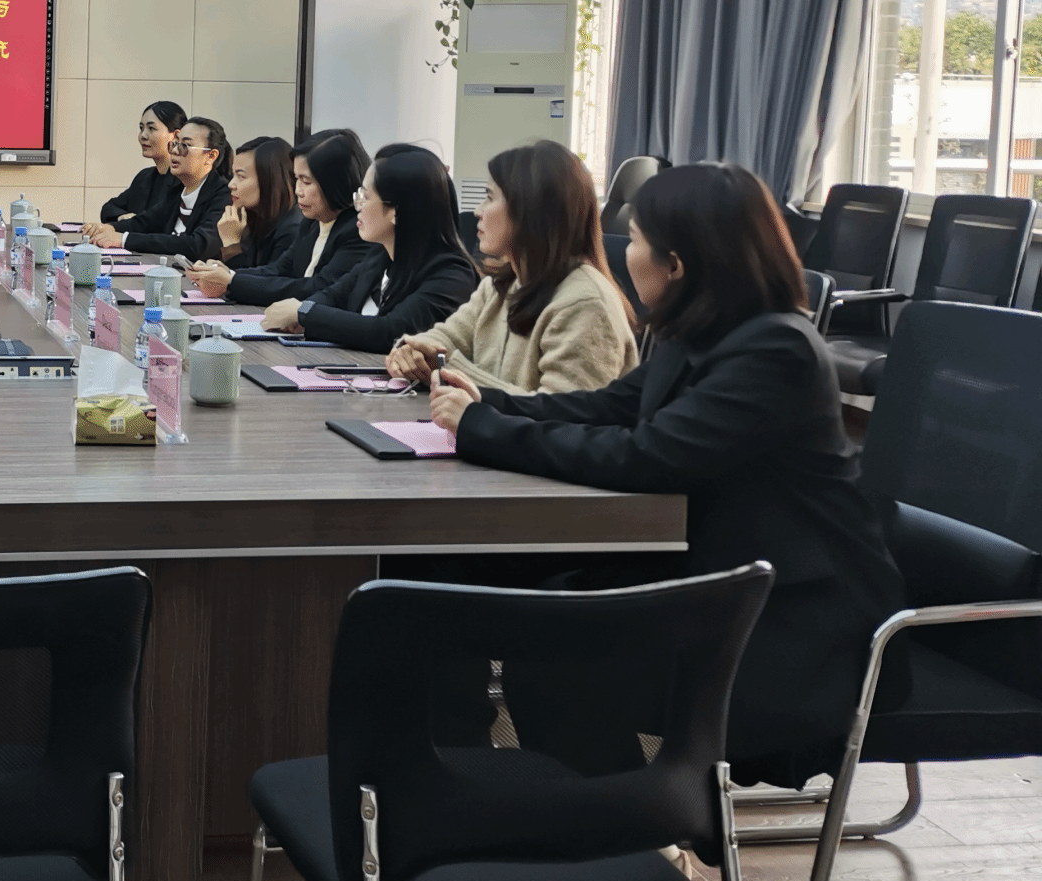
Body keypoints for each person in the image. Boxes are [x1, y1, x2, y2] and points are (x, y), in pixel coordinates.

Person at [429, 162, 906, 774]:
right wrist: (491, 405)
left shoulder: (775, 349)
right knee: (465, 582)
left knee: (554, 655)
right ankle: (474, 784)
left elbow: (648, 455)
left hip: (788, 620)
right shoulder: (702, 331)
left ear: (676, 264)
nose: (624, 254)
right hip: (710, 569)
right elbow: (608, 407)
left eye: (636, 241)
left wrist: (484, 429)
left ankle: (624, 817)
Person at [386, 138, 636, 395]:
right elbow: (446, 337)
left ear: (530, 211)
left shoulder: (585, 304)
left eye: (489, 198)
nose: (478, 211)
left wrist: (450, 368)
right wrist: (413, 351)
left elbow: (560, 411)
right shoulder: (500, 286)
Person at [263, 142, 478, 348]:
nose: (358, 206)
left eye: (365, 196)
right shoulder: (378, 258)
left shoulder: (452, 276)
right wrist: (302, 313)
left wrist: (304, 314)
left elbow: (390, 331)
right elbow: (333, 295)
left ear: (395, 211)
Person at [194, 129, 370, 304]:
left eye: (306, 181)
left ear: (336, 182)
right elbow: (279, 269)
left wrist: (231, 280)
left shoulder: (357, 230)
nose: (298, 190)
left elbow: (317, 287)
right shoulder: (311, 223)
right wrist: (228, 274)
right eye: (297, 179)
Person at [88, 116, 231, 260]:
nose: (174, 151)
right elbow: (147, 222)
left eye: (185, 146)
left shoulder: (223, 196)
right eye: (175, 144)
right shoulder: (177, 189)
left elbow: (197, 245)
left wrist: (124, 239)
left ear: (211, 156)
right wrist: (111, 228)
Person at [91, 100, 189, 233]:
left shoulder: (184, 180)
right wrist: (122, 217)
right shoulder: (144, 177)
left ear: (176, 136)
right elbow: (108, 208)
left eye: (151, 128)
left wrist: (131, 223)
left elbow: (157, 223)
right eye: (141, 128)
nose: (142, 136)